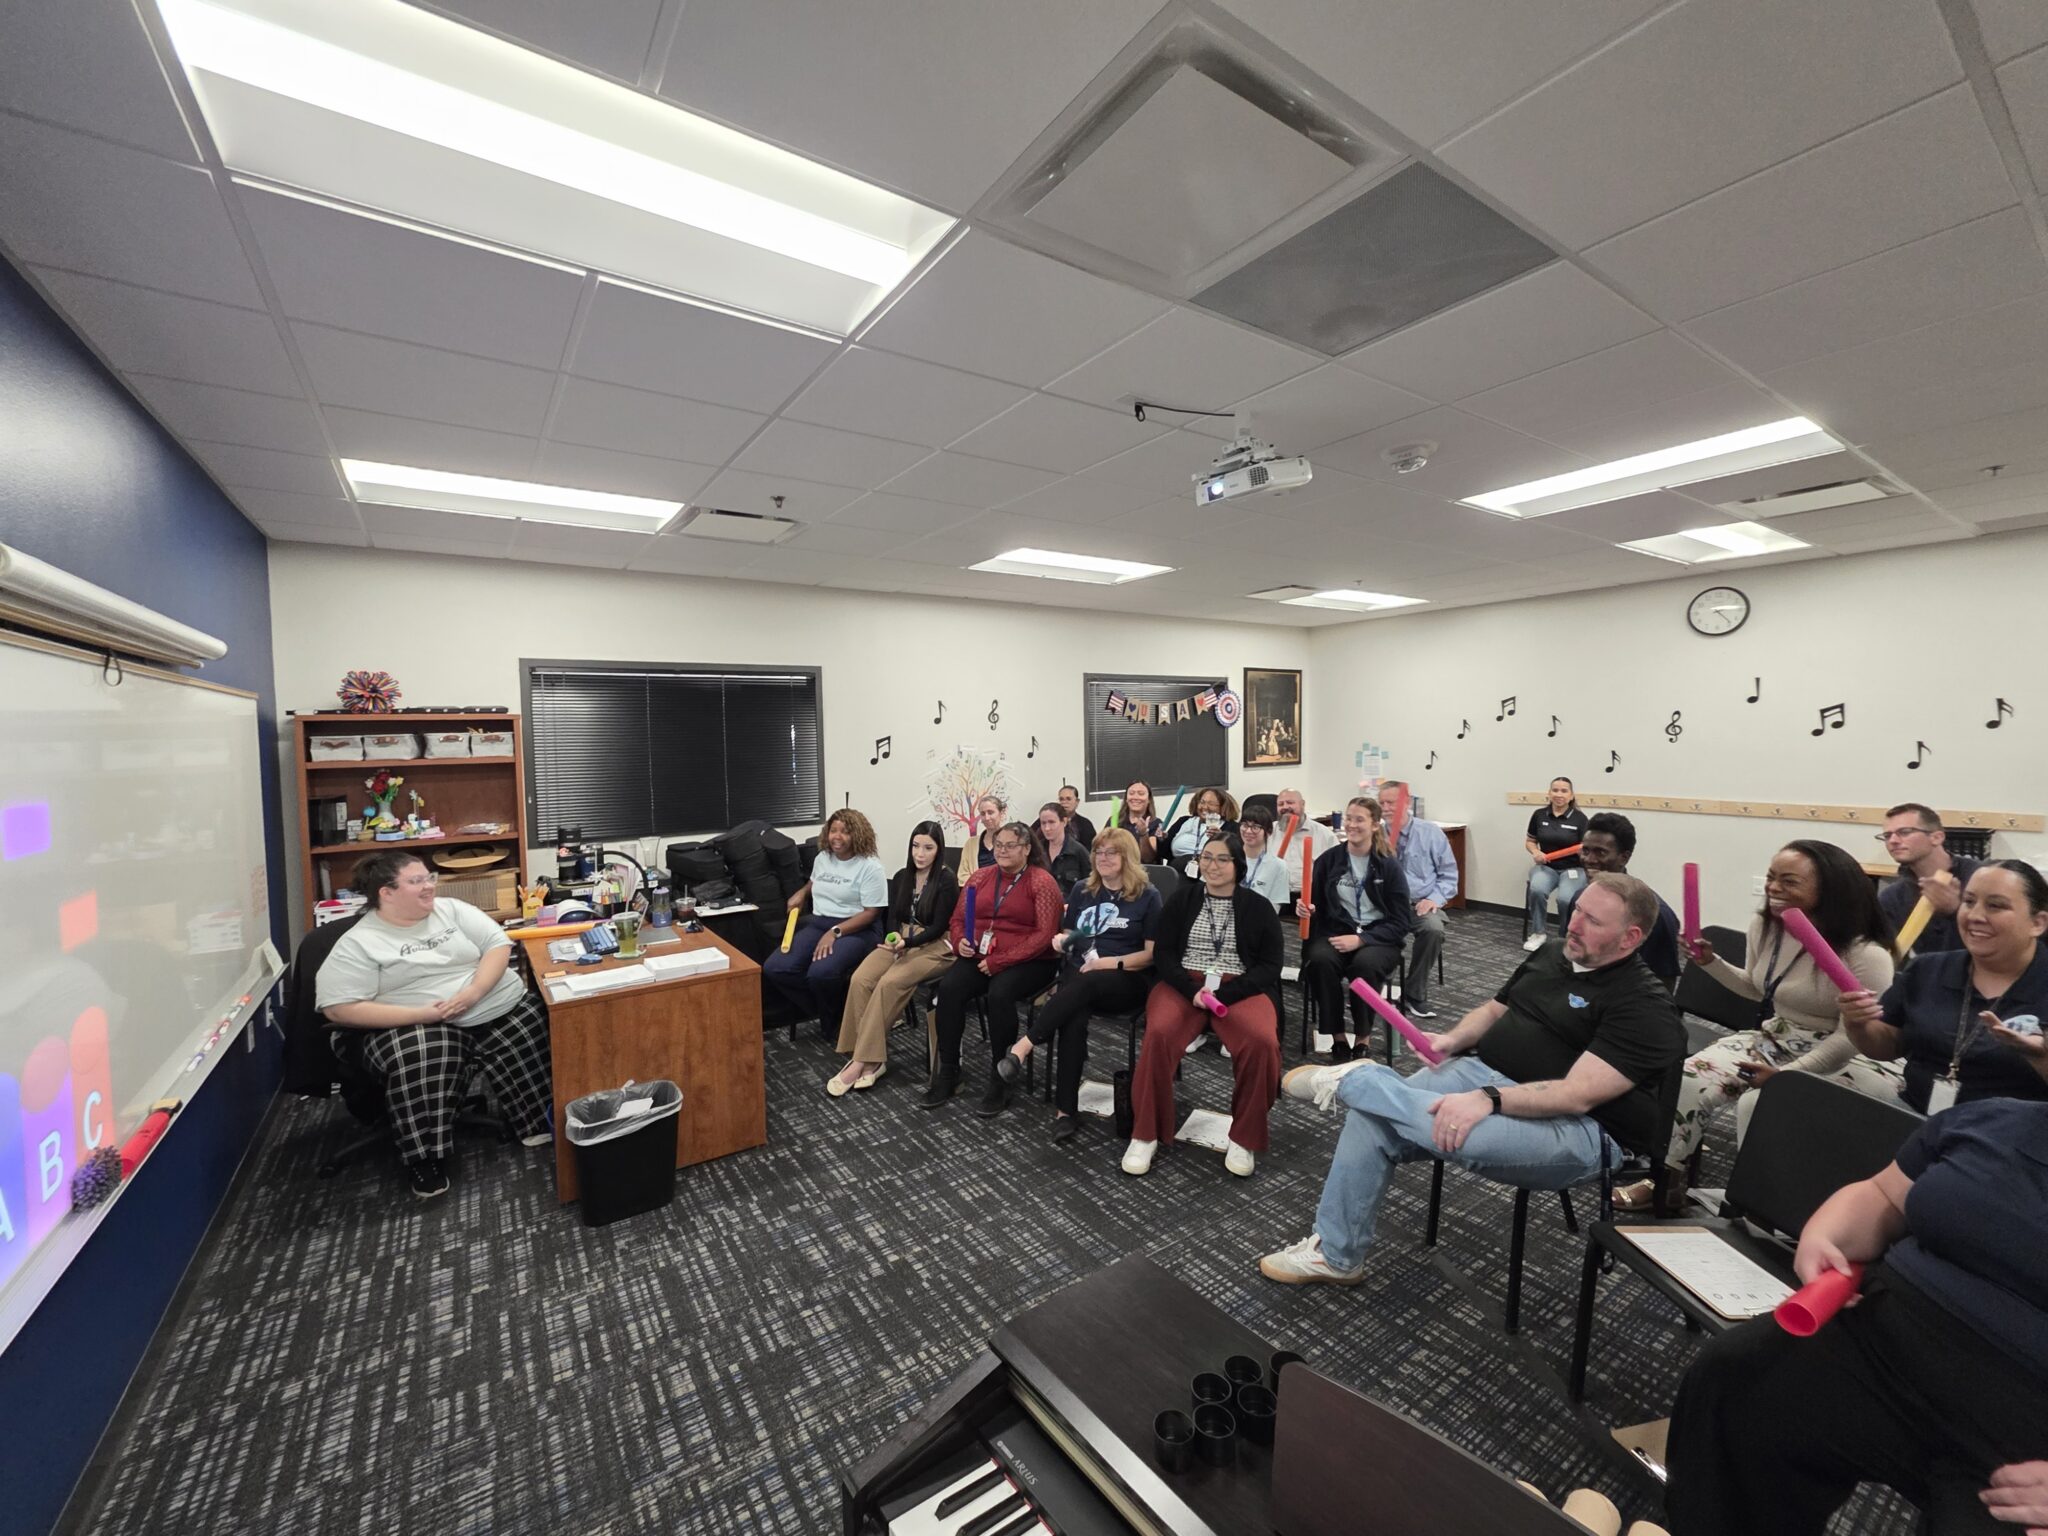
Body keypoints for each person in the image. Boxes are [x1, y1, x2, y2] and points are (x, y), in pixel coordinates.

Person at [1261, 874, 1684, 1285]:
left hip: (1585, 1129)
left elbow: (1576, 1095)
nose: (1573, 923)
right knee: (1371, 1119)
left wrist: (1488, 1099)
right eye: (1576, 910)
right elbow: (1494, 1011)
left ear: (1629, 938)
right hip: (1483, 1073)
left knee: (1457, 1132)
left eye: (1593, 921)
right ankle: (1337, 1257)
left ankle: (1358, 1080)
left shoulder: (1644, 1006)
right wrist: (1452, 1040)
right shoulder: (1553, 951)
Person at [1664, 1096, 2048, 1536]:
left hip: (2027, 1435)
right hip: (1883, 1345)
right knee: (1737, 1381)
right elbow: (1881, 1194)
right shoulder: (1994, 1119)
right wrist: (1825, 1232)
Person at [1649, 840, 1900, 1207]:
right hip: (1779, 1037)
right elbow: (1756, 988)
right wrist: (1710, 963)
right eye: (1770, 878)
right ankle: (1665, 1179)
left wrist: (1788, 1078)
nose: (1773, 888)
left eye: (1789, 881)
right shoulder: (1766, 927)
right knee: (1688, 1077)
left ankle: (1766, 1203)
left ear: (1829, 891)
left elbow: (1851, 1039)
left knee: (1763, 1103)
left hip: (1854, 1054)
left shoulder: (1867, 954)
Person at [316, 850, 554, 1199]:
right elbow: (338, 1008)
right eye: (416, 882)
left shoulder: (451, 910)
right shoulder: (359, 943)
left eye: (429, 878)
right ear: (387, 892)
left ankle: (535, 1119)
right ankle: (424, 1158)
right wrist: (424, 1014)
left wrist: (473, 993)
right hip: (412, 1023)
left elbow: (496, 945)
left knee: (528, 1016)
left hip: (482, 1004)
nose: (429, 887)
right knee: (429, 1051)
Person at [1122, 832, 1284, 1178]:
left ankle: (1244, 1137)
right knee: (1159, 1034)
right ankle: (1145, 1133)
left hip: (1238, 987)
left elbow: (1270, 966)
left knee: (1262, 1042)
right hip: (1184, 984)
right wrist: (1189, 989)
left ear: (1238, 865)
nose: (1212, 865)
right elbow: (1164, 953)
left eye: (1222, 859)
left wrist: (1224, 995)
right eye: (1206, 857)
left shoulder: (1258, 908)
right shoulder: (1182, 900)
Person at [1839, 860, 2048, 1113]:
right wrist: (1858, 1024)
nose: (1975, 916)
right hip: (1915, 1116)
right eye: (1969, 902)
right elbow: (1888, 1046)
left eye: (1995, 906)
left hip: (2008, 1134)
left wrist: (2040, 1058)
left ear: (2038, 923)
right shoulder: (1927, 970)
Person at [995, 828, 1159, 1142]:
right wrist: (1062, 942)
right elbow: (1072, 937)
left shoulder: (1147, 895)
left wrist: (1105, 964)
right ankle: (1065, 1111)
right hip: (1080, 978)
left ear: (1128, 857)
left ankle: (1023, 1046)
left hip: (1126, 979)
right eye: (1099, 852)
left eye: (1112, 852)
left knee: (1085, 984)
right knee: (1073, 1015)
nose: (1103, 858)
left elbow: (1151, 955)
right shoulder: (1084, 890)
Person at [923, 822, 1063, 1115]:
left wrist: (1001, 960)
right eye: (998, 845)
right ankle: (949, 1070)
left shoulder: (1041, 881)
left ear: (1026, 849)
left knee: (1000, 994)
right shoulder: (980, 877)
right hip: (982, 956)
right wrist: (961, 941)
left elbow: (1044, 935)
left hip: (1032, 960)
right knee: (949, 989)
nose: (1002, 850)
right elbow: (958, 920)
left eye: (1010, 846)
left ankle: (1002, 1076)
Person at [827, 821, 958, 1097]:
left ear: (939, 850)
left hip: (934, 946)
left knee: (889, 982)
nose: (920, 854)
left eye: (928, 848)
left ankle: (863, 1061)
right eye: (915, 846)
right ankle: (871, 1056)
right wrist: (893, 942)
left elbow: (938, 927)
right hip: (900, 942)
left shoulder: (946, 880)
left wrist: (907, 943)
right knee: (861, 978)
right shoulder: (901, 877)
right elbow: (892, 919)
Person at [1300, 795, 1413, 1062]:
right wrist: (1307, 910)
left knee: (1365, 967)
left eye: (1359, 819)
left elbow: (1401, 922)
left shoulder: (1388, 865)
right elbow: (1315, 904)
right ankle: (1337, 1037)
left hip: (1378, 938)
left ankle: (1363, 1037)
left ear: (1375, 825)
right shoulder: (1329, 860)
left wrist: (1363, 939)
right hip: (1336, 932)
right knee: (1319, 960)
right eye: (1348, 818)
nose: (1351, 824)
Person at [764, 808, 887, 1029]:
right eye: (833, 831)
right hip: (820, 922)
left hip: (858, 928)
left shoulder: (870, 867)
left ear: (858, 834)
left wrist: (835, 932)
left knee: (821, 973)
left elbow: (872, 912)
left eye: (845, 832)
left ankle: (834, 1022)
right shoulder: (823, 858)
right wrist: (803, 892)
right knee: (776, 967)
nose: (837, 837)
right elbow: (816, 881)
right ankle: (832, 1012)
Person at [1555, 812, 1682, 984]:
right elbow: (1566, 955)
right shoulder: (1580, 898)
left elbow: (1661, 987)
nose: (1589, 859)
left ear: (1624, 857)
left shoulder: (1657, 916)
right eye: (1585, 850)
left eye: (1600, 852)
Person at [1381, 781, 1460, 1018]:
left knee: (1433, 930)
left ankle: (1413, 994)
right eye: (1381, 803)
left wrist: (1433, 899)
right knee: (1374, 931)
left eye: (1391, 803)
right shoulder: (1374, 834)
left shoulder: (1430, 833)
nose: (1385, 808)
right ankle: (1375, 991)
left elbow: (1449, 876)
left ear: (1406, 803)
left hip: (1420, 903)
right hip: (1384, 905)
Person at [1876, 801, 1981, 958]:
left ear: (1937, 837)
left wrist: (1955, 911)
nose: (1893, 841)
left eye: (1904, 832)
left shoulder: (1980, 878)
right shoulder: (1892, 897)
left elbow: (2004, 942)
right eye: (1887, 835)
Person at [1524, 776, 1590, 950]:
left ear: (1571, 795)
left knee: (1565, 900)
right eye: (1555, 790)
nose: (1559, 794)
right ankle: (1538, 933)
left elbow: (1588, 848)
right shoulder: (1539, 815)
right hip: (1547, 867)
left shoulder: (1580, 819)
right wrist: (1536, 852)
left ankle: (1565, 938)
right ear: (1549, 793)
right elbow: (1530, 841)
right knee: (1537, 889)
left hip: (1573, 869)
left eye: (1564, 791)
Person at [1277, 787, 1339, 901]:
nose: (1285, 807)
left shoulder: (1324, 834)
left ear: (1302, 804)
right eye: (1281, 804)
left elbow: (1337, 870)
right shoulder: (1269, 832)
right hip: (1277, 894)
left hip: (1312, 896)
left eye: (1290, 802)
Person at [1162, 786, 1240, 866]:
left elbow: (1237, 858)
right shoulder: (1183, 821)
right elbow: (1163, 852)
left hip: (1210, 873)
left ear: (1223, 807)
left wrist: (1221, 839)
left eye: (1211, 804)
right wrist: (1161, 838)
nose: (1205, 807)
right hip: (1176, 872)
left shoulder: (1232, 828)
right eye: (1202, 802)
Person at [1236, 805, 1291, 910]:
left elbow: (1274, 908)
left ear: (1269, 832)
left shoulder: (1278, 866)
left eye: (1255, 827)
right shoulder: (1229, 857)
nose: (1248, 831)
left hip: (1258, 921)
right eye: (1244, 825)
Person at [1031, 801, 1089, 892]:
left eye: (1051, 822)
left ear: (1064, 821)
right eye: (1043, 823)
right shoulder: (1037, 851)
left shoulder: (1078, 851)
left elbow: (1090, 884)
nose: (1047, 828)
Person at [1120, 780, 1164, 864]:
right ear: (1126, 798)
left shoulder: (1157, 824)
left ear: (1149, 799)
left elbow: (1148, 859)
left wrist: (1143, 834)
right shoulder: (1114, 821)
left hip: (1144, 872)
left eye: (1141, 794)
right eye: (1131, 793)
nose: (1135, 797)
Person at [963, 794, 1007, 875]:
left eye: (990, 812)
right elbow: (963, 875)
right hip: (976, 886)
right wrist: (974, 887)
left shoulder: (1011, 842)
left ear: (1001, 813)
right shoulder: (971, 844)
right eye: (983, 814)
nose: (987, 818)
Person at [1058, 784, 1097, 851]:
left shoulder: (1086, 824)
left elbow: (1093, 849)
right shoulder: (1051, 822)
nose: (1064, 802)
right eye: (1061, 799)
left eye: (1068, 799)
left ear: (1077, 802)